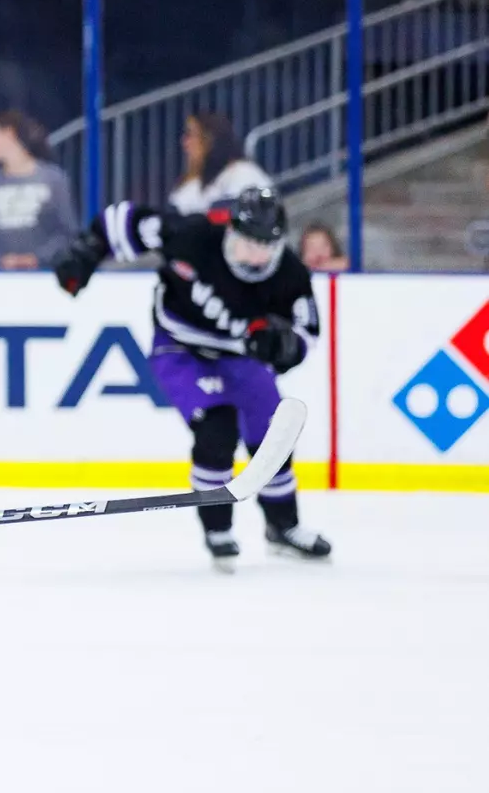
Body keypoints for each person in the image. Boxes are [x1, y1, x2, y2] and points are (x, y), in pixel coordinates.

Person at [53, 187, 332, 570]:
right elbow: (123, 219)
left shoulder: (290, 275)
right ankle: (218, 529)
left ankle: (283, 526)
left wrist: (284, 347)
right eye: (244, 242)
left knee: (272, 439)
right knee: (216, 430)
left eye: (263, 246)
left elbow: (307, 334)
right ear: (229, 230)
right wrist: (87, 250)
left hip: (239, 357)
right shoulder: (193, 236)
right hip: (179, 349)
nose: (252, 255)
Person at [0, 110, 80, 270]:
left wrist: (38, 258)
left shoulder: (53, 179)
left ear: (9, 134)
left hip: (45, 278)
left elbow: (68, 232)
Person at [168, 112, 272, 215]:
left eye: (190, 134)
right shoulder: (192, 184)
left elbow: (248, 214)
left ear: (210, 140)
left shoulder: (242, 172)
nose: (184, 142)